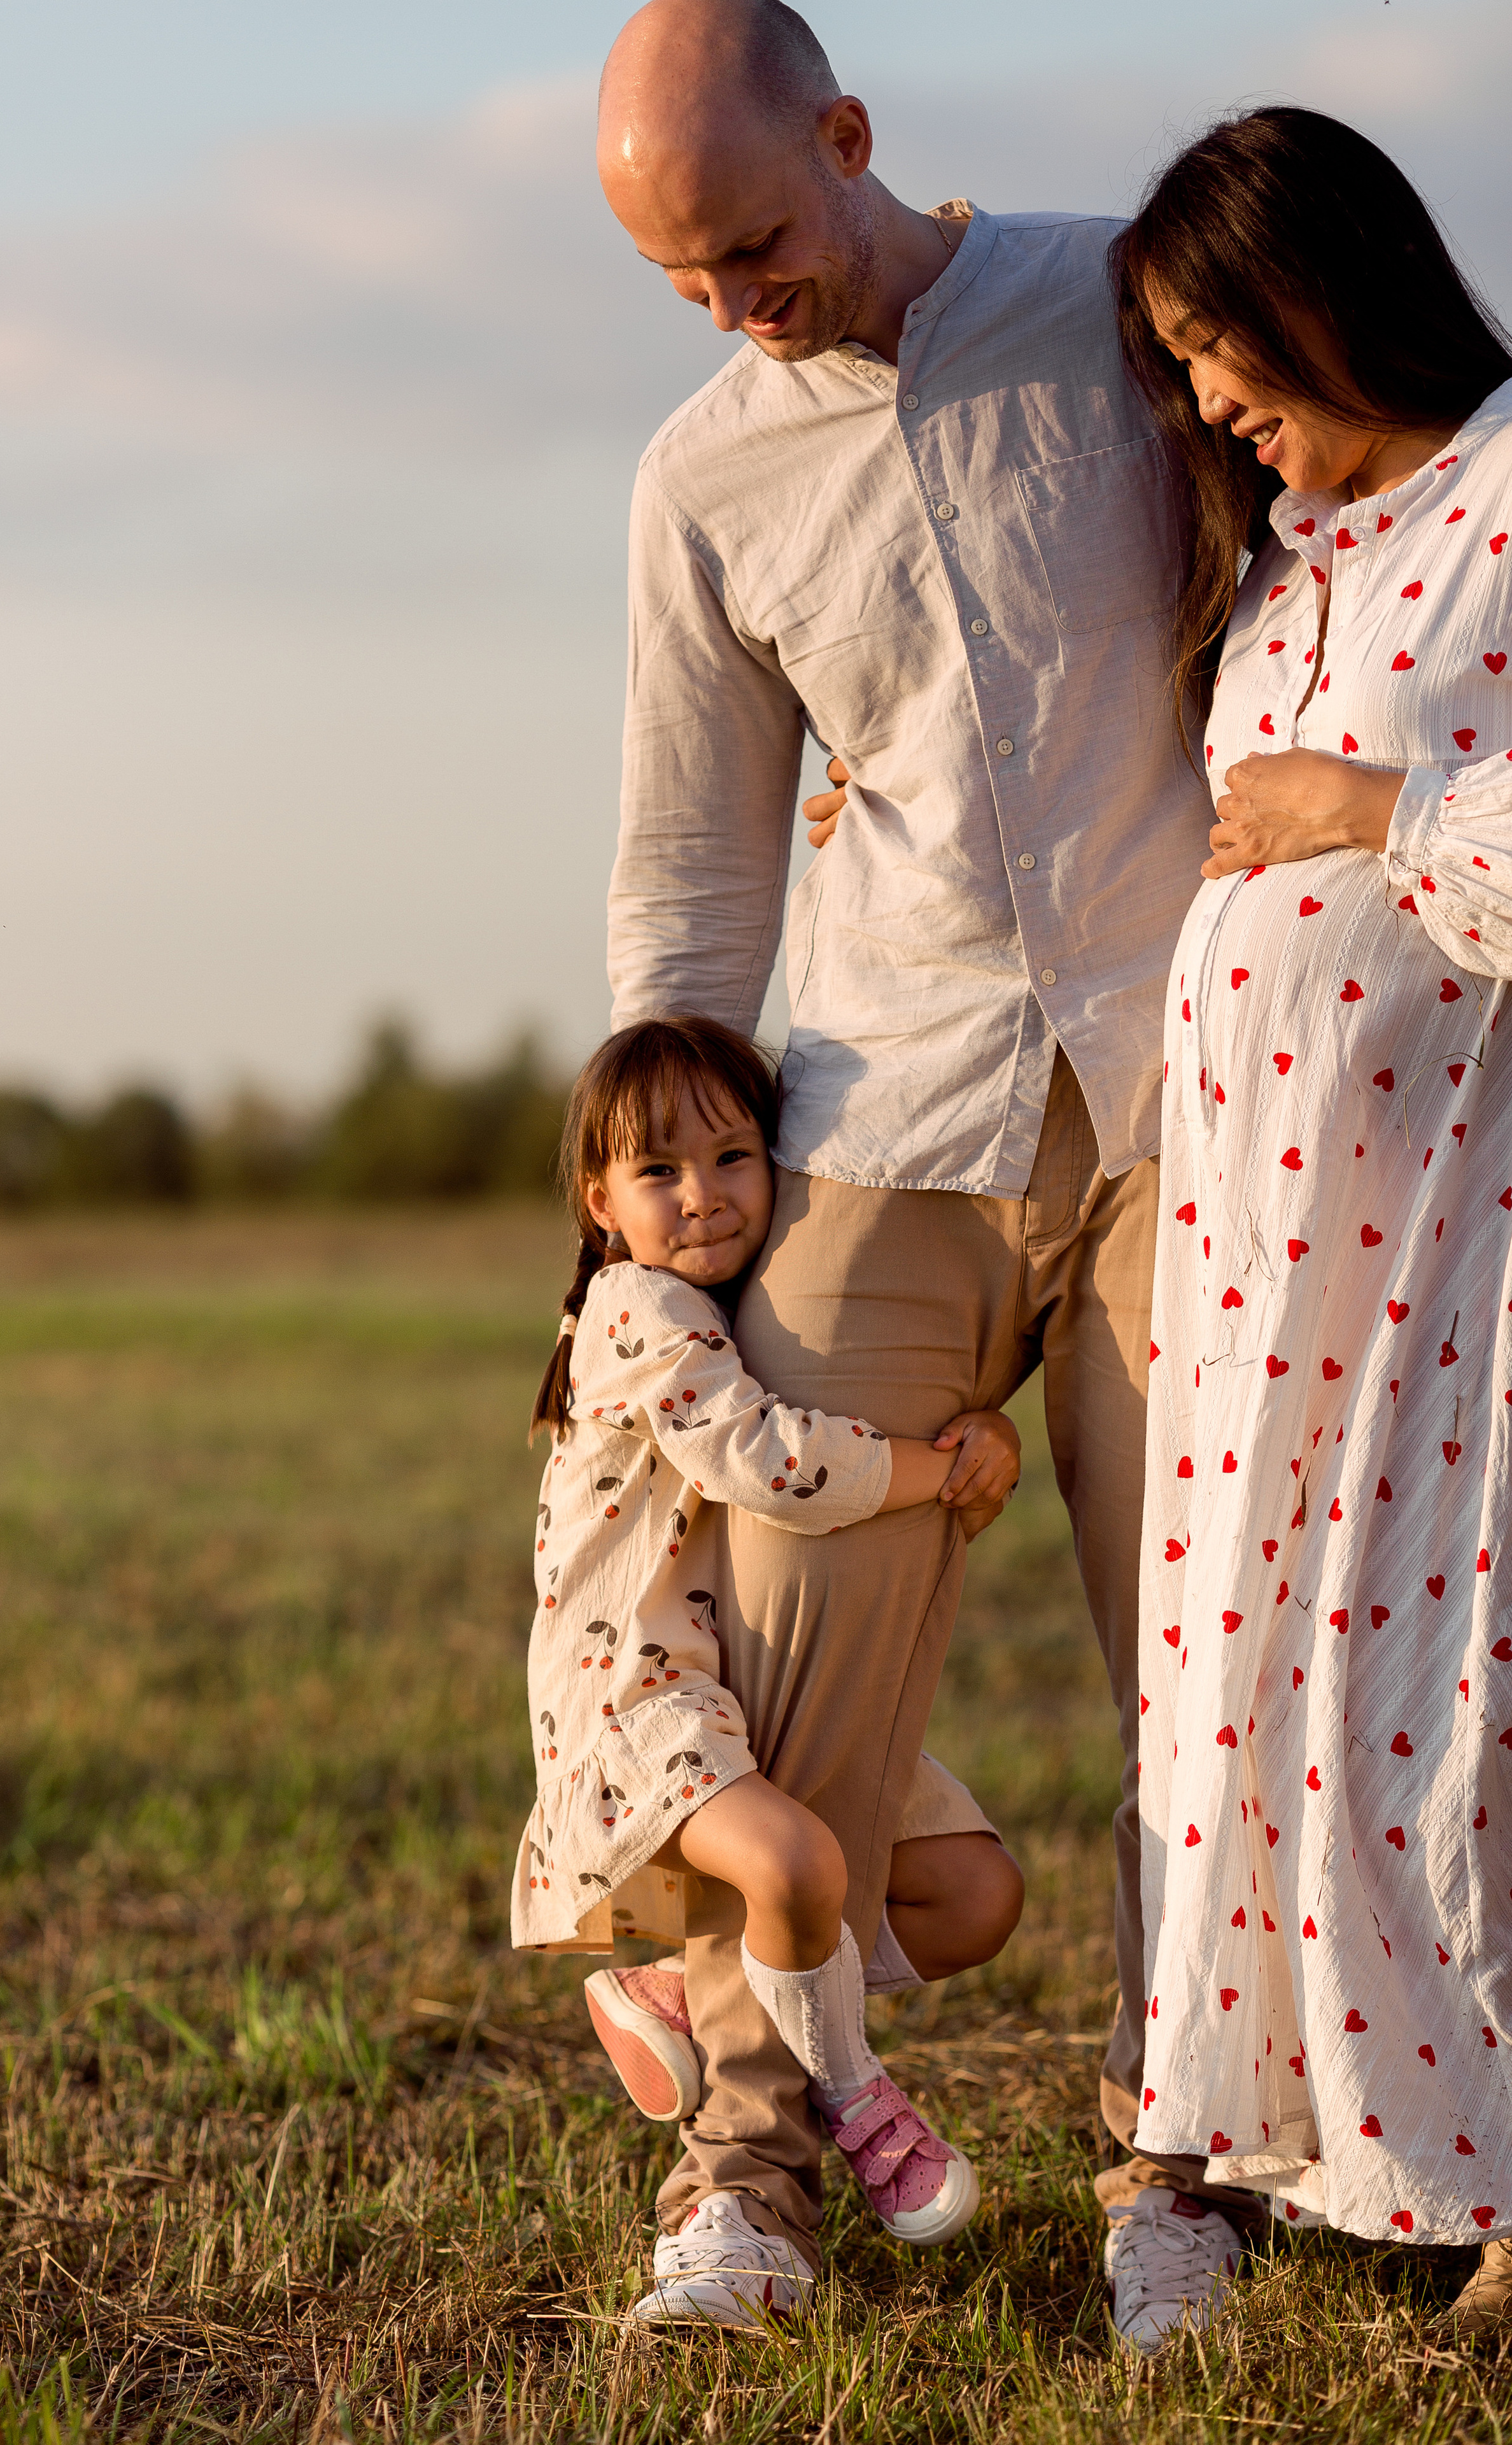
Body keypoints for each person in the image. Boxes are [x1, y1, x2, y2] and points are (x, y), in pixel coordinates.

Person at [597, 0, 1226, 2335]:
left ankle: (1183, 2165)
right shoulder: (702, 478)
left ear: (850, 136)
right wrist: (641, 1246)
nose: (730, 307)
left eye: (753, 248)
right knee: (787, 1658)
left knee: (1208, 1659)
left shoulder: (1123, 304)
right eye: (680, 281)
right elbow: (693, 873)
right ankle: (749, 2183)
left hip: (1192, 1085)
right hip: (885, 1103)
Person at [1112, 105, 1512, 2351]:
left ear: (1323, 282)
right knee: (1274, 1707)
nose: (1205, 398)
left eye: (1216, 343)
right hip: (1270, 1258)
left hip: (1459, 1236)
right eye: (1174, 362)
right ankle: (1331, 2153)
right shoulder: (1281, 570)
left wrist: (1372, 808)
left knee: (1446, 1705)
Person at [512, 1014, 1023, 2321]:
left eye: (732, 1157)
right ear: (600, 1203)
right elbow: (766, 1462)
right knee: (795, 1866)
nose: (702, 1195)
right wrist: (935, 1469)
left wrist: (982, 1439)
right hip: (640, 1692)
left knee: (973, 1894)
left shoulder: (742, 1303)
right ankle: (852, 2094)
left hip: (732, 1678)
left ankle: (687, 1989)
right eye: (659, 1173)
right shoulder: (637, 1307)